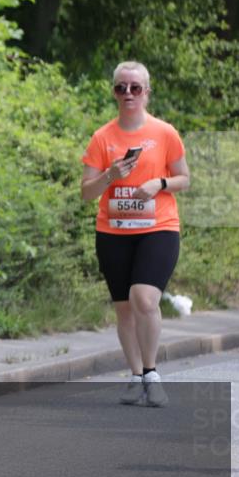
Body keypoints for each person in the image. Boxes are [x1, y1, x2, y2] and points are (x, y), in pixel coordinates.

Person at [80, 61, 190, 407]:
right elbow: (86, 192)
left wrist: (158, 183)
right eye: (121, 88)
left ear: (147, 92)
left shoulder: (165, 133)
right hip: (113, 231)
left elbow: (184, 178)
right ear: (114, 92)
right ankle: (135, 376)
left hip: (158, 228)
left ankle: (152, 373)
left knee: (145, 298)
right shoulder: (103, 137)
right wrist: (110, 175)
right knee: (125, 308)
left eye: (135, 88)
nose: (128, 93)